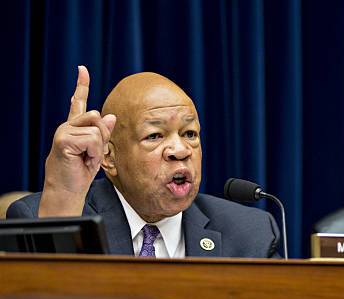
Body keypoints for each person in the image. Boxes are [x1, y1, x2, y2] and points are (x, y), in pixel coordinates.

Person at [8, 66, 280, 258]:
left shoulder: (251, 234)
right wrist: (64, 197)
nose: (180, 149)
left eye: (190, 134)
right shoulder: (40, 218)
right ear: (109, 157)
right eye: (155, 135)